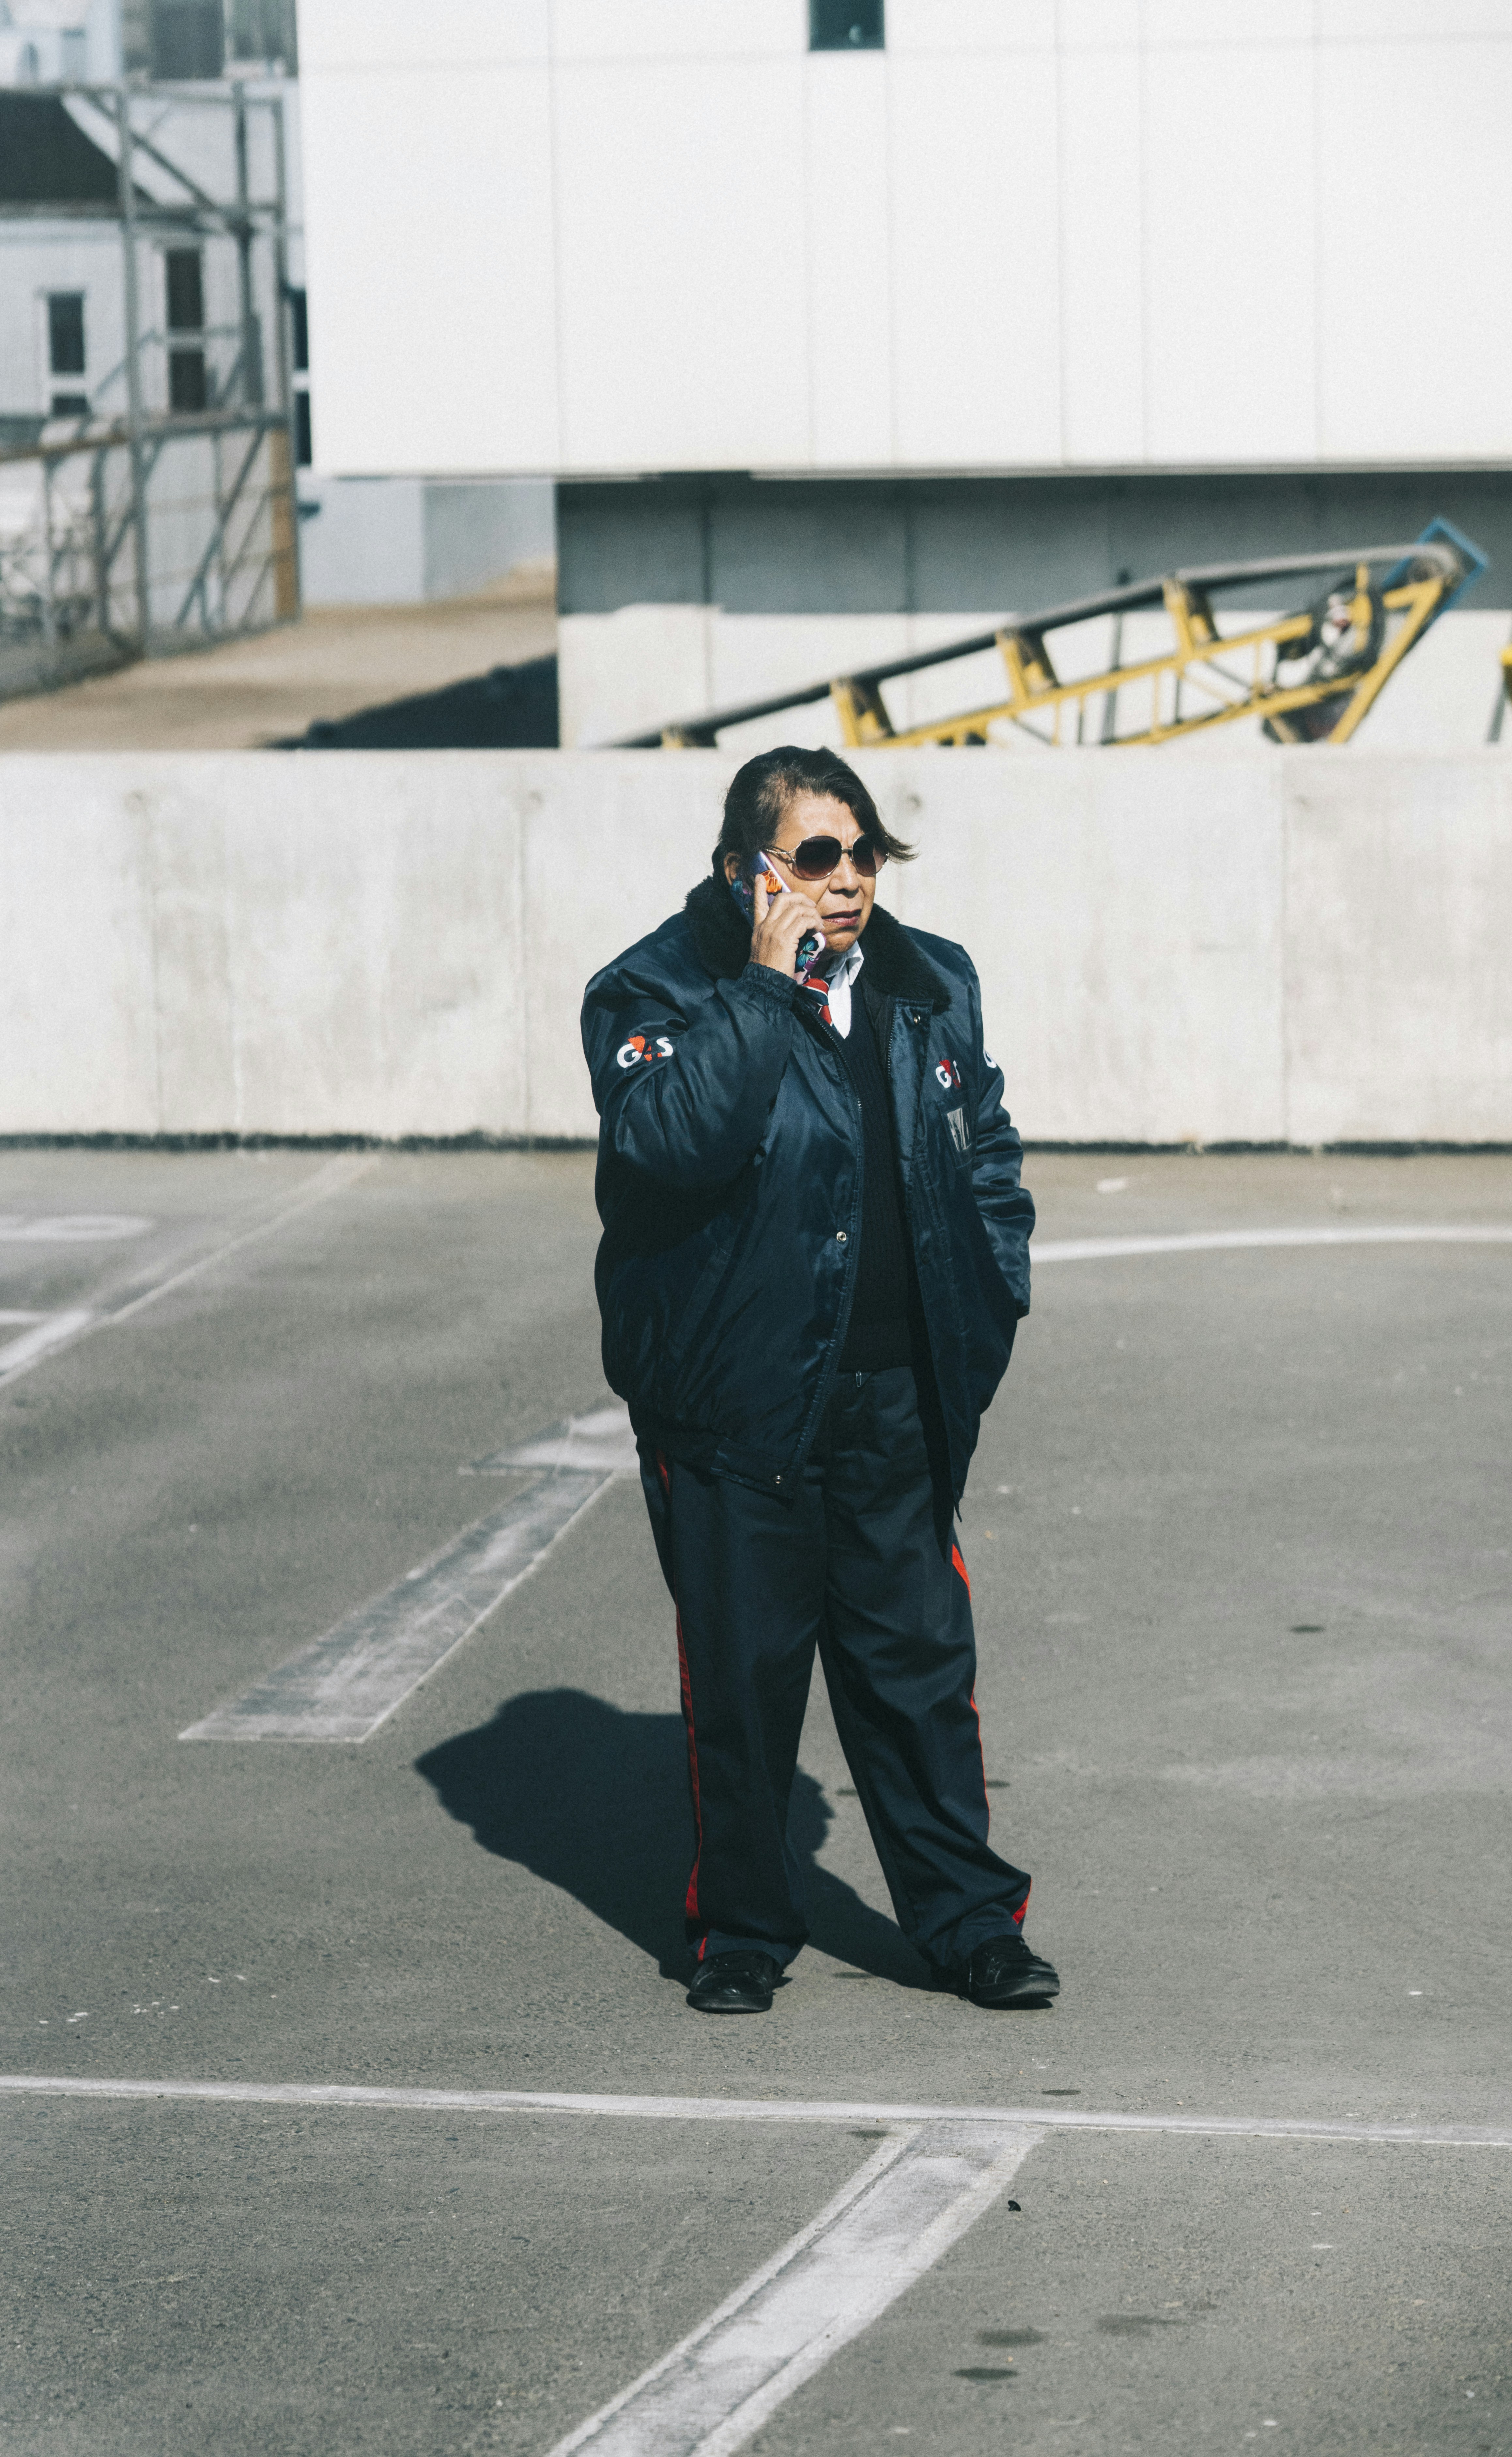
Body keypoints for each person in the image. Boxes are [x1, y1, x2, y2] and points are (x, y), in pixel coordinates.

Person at [580, 744, 1057, 2015]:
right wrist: (760, 989)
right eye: (816, 857)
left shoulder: (927, 978)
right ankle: (741, 1928)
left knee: (920, 1677)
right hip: (738, 1410)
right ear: (748, 870)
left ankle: (968, 1922)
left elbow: (986, 1150)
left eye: (864, 854)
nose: (848, 883)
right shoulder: (654, 987)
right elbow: (674, 1141)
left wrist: (989, 1294)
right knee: (743, 1684)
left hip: (895, 1400)